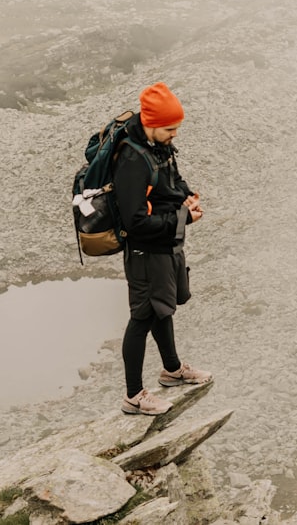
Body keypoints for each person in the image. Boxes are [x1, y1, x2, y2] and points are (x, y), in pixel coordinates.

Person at [113, 81, 212, 415]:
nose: (175, 135)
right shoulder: (132, 160)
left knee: (163, 307)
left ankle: (171, 369)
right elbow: (135, 221)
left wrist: (187, 196)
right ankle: (133, 396)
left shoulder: (159, 147)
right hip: (144, 251)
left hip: (166, 244)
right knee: (142, 317)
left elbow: (174, 180)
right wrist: (183, 222)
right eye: (170, 129)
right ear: (151, 124)